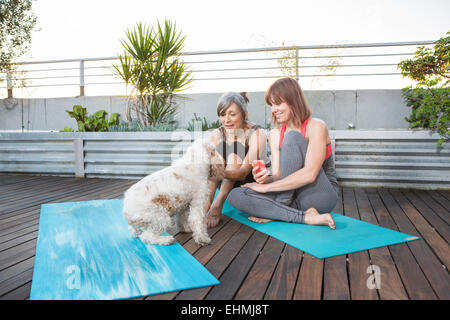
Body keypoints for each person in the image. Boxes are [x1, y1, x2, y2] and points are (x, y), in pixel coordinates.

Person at [227, 77, 338, 229]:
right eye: (271, 105)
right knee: (236, 195)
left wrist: (266, 189)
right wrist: (265, 180)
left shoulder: (316, 126)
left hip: (319, 196)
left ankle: (277, 209)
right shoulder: (275, 134)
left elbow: (310, 174)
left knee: (292, 138)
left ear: (294, 100)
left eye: (278, 103)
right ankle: (305, 217)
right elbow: (280, 175)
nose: (274, 110)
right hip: (293, 196)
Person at [205, 92, 268, 228]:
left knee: (235, 148)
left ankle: (217, 205)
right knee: (216, 157)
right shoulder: (216, 134)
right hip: (225, 181)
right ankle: (207, 203)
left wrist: (216, 170)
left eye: (232, 114)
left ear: (244, 115)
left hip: (248, 183)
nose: (226, 120)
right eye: (222, 114)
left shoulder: (257, 133)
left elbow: (244, 172)